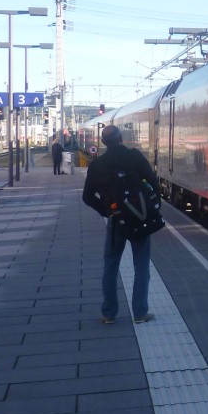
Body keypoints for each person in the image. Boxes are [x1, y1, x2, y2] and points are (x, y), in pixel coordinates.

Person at [82, 125, 158, 325]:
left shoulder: (97, 165)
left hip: (116, 221)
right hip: (139, 219)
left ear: (103, 142)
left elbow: (87, 197)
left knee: (111, 265)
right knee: (141, 266)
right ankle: (140, 313)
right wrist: (151, 209)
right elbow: (153, 182)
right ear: (121, 138)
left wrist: (106, 211)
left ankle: (109, 314)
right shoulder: (134, 157)